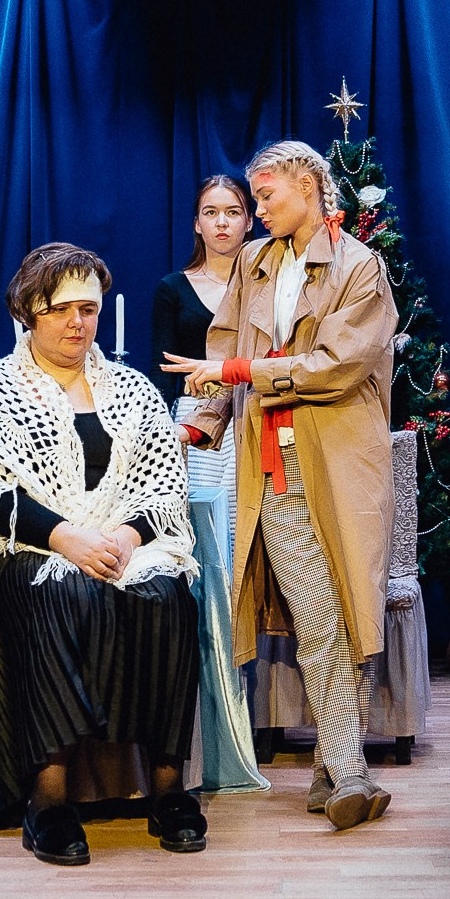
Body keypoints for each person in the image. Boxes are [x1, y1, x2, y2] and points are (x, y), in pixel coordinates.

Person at [162, 139, 399, 830]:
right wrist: (199, 426)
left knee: (347, 610)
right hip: (273, 466)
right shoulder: (256, 263)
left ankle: (335, 772)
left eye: (266, 196)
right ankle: (347, 773)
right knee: (319, 610)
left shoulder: (360, 267)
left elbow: (338, 365)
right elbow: (224, 350)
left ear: (309, 185)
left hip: (342, 462)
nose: (257, 209)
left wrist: (244, 375)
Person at [0, 243, 204, 865]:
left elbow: (164, 485)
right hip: (25, 550)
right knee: (61, 589)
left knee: (168, 594)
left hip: (119, 544)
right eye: (60, 309)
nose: (77, 323)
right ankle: (48, 801)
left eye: (88, 309)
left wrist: (126, 537)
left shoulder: (131, 389)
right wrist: (66, 537)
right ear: (28, 312)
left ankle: (168, 790)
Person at [151, 176, 254, 496]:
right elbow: (162, 370)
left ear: (250, 222)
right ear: (197, 224)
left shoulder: (267, 285)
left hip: (252, 410)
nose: (222, 222)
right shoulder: (173, 288)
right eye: (211, 213)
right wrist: (157, 429)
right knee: (202, 512)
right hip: (194, 414)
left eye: (233, 212)